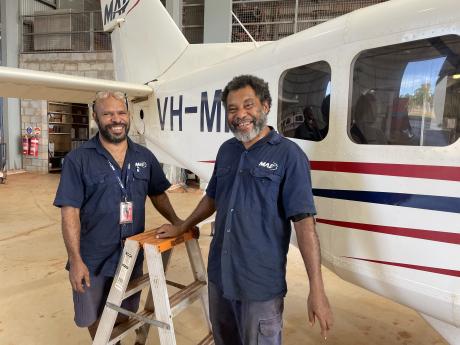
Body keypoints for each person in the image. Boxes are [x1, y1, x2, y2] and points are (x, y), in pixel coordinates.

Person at [155, 75, 333, 344]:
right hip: (220, 277)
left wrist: (316, 289)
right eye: (232, 109)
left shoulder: (289, 156)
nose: (241, 115)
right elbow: (212, 197)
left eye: (248, 105)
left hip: (259, 287)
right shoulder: (227, 151)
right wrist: (183, 224)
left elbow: (305, 225)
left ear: (266, 106)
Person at [54, 91, 182, 340]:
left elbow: (158, 194)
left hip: (130, 257)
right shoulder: (78, 160)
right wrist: (75, 259)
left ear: (129, 115)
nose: (116, 119)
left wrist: (179, 222)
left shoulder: (144, 157)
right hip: (92, 259)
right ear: (95, 117)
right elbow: (70, 211)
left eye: (121, 113)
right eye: (108, 114)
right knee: (92, 316)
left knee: (124, 310)